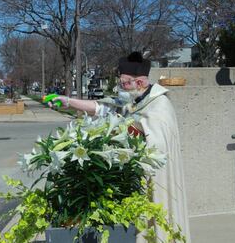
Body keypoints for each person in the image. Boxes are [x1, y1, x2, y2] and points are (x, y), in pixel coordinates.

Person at [49, 51, 190, 242]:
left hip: (156, 178)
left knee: (158, 225)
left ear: (139, 83)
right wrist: (68, 101)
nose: (120, 88)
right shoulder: (134, 100)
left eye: (123, 83)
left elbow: (157, 143)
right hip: (135, 177)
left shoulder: (159, 105)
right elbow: (101, 108)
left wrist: (121, 128)